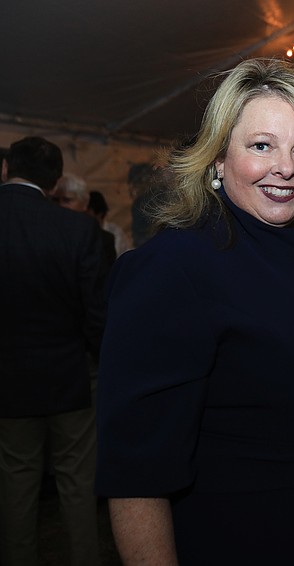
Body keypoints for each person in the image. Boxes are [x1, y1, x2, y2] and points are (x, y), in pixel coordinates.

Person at [95, 58, 294, 565]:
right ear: (217, 159)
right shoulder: (173, 267)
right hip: (251, 534)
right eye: (261, 145)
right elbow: (136, 473)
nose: (285, 167)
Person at [0, 137, 106, 566]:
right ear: (56, 181)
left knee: (16, 486)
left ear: (7, 170)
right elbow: (96, 313)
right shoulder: (78, 228)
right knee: (79, 485)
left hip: (7, 380)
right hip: (70, 379)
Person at [56, 174, 118, 267]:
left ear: (84, 204)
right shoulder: (45, 234)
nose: (60, 205)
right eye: (55, 200)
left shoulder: (102, 240)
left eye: (67, 200)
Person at [88, 190, 132, 257]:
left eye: (87, 214)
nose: (84, 218)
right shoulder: (83, 232)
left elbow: (114, 258)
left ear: (99, 213)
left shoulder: (114, 232)